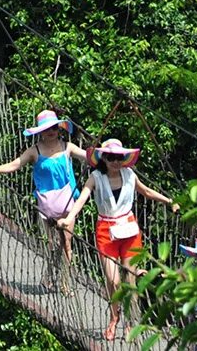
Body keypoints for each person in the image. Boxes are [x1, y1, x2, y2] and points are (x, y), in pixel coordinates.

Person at [58, 138, 181, 341]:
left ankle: (131, 321)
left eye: (119, 157)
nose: (116, 161)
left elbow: (147, 192)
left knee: (130, 280)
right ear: (104, 158)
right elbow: (81, 199)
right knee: (113, 281)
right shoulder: (95, 177)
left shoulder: (129, 174)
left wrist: (170, 202)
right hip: (106, 231)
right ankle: (114, 317)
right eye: (112, 157)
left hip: (130, 231)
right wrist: (68, 219)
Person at [0, 109, 88, 292]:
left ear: (59, 128)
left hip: (67, 202)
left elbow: (88, 157)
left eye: (54, 127)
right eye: (47, 129)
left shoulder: (67, 147)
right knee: (52, 244)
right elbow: (15, 164)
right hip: (47, 205)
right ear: (40, 132)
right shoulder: (35, 151)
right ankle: (49, 277)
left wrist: (106, 157)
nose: (51, 131)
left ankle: (65, 283)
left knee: (67, 244)